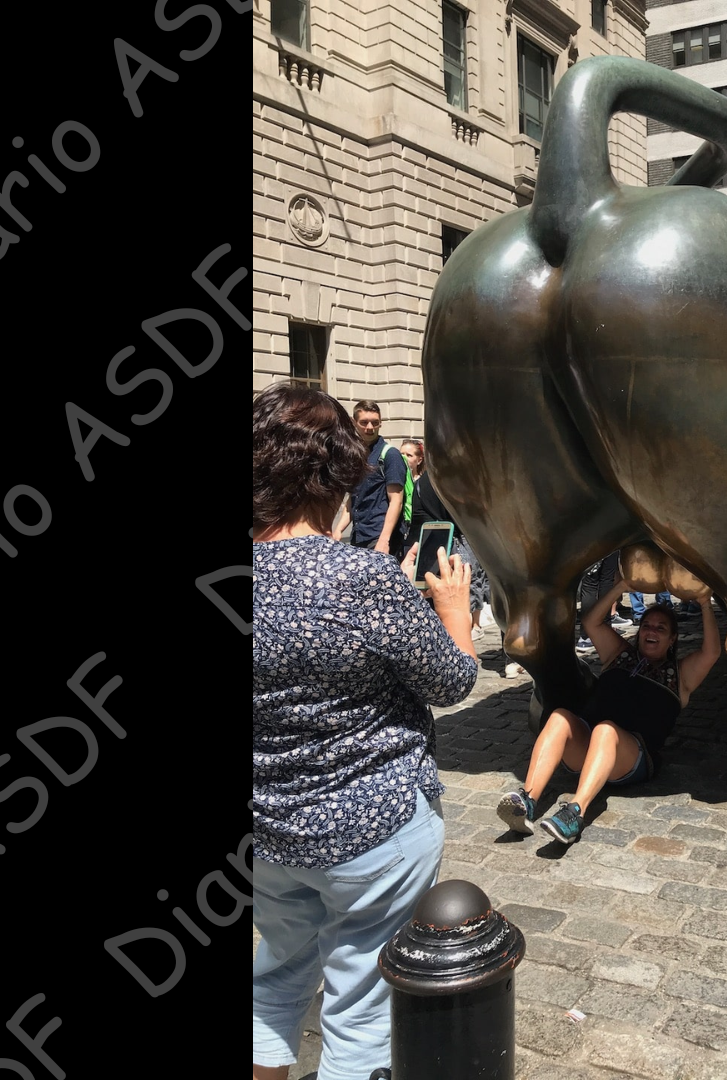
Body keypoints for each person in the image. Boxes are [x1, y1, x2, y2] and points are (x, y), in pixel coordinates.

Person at [250, 384, 480, 1080]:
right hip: (371, 830)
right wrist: (454, 609)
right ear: (335, 476)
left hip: (268, 829)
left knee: (271, 984)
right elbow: (452, 682)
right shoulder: (361, 579)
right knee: (360, 1010)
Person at [496, 582, 723, 845]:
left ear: (672, 639)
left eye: (660, 629)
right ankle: (527, 801)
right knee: (559, 716)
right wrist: (622, 586)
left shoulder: (681, 675)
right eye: (647, 626)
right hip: (588, 744)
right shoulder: (619, 654)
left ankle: (575, 812)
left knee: (606, 730)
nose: (651, 632)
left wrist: (705, 603)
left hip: (631, 757)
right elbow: (592, 623)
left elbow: (712, 652)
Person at [406, 452, 491, 638]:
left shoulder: (422, 483)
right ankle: (470, 626)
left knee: (431, 588)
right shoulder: (458, 483)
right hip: (460, 542)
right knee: (466, 584)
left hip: (430, 541)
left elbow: (418, 517)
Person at [333, 400, 407, 555]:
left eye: (375, 423)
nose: (370, 428)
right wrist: (338, 530)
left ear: (380, 424)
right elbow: (353, 500)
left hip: (379, 537)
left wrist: (384, 540)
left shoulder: (390, 455)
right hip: (359, 535)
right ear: (354, 423)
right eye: (364, 422)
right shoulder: (355, 456)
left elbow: (396, 500)